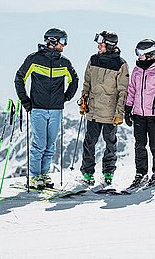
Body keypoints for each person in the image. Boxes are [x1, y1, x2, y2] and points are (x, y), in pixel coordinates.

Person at [15, 28, 79, 189]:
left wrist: (65, 97)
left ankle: (44, 175)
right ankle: (34, 177)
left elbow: (75, 80)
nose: (65, 45)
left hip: (56, 109)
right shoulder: (34, 59)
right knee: (39, 143)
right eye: (63, 41)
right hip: (38, 108)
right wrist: (25, 100)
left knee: (51, 145)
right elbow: (19, 78)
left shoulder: (64, 62)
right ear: (52, 42)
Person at [78, 31, 129, 186]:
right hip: (92, 110)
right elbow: (87, 83)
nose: (99, 45)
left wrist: (119, 112)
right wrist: (83, 99)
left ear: (110, 45)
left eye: (102, 43)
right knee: (89, 142)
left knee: (110, 143)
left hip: (110, 112)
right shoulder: (93, 60)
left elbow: (123, 91)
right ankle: (87, 173)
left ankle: (108, 172)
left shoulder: (121, 64)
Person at [124, 39, 155, 188]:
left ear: (149, 54)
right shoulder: (137, 70)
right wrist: (128, 108)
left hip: (154, 114)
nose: (138, 56)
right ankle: (141, 174)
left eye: (140, 53)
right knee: (139, 145)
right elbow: (132, 90)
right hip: (139, 113)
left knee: (154, 145)